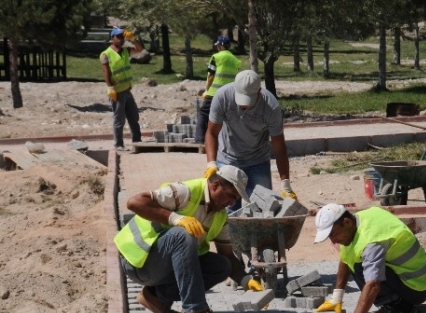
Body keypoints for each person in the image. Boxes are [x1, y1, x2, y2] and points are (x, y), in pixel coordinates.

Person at [114, 165, 264, 313]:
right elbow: (134, 202)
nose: (232, 203)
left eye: (235, 199)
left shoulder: (221, 217)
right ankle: (196, 309)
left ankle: (155, 297)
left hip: (162, 270)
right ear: (215, 185)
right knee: (182, 234)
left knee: (222, 266)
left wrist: (246, 280)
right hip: (138, 263)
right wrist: (175, 218)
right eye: (231, 195)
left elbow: (228, 256)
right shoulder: (186, 191)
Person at [203, 70, 297, 213]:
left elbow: (279, 147)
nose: (244, 106)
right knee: (225, 211)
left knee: (262, 210)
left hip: (257, 161)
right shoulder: (222, 96)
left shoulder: (270, 107)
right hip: (227, 159)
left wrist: (285, 184)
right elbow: (211, 133)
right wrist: (211, 163)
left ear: (259, 91)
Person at [314, 204, 426, 313]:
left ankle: (401, 308)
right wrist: (337, 298)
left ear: (346, 222)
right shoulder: (358, 221)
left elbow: (373, 285)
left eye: (333, 234)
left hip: (418, 287)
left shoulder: (371, 241)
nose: (333, 241)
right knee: (355, 260)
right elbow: (346, 257)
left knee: (360, 268)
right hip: (411, 277)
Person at [100, 27, 143, 151]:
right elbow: (105, 72)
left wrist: (133, 39)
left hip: (127, 90)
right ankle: (118, 144)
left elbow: (140, 50)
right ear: (112, 38)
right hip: (117, 92)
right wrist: (110, 87)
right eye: (118, 37)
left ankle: (137, 141)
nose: (121, 39)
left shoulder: (125, 51)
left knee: (134, 117)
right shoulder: (106, 54)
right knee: (119, 119)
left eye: (122, 37)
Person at [195, 36, 241, 143]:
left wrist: (207, 90)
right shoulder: (235, 60)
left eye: (217, 46)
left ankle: (199, 138)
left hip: (214, 93)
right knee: (227, 116)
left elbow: (211, 76)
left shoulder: (216, 57)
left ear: (220, 46)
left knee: (203, 113)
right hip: (230, 93)